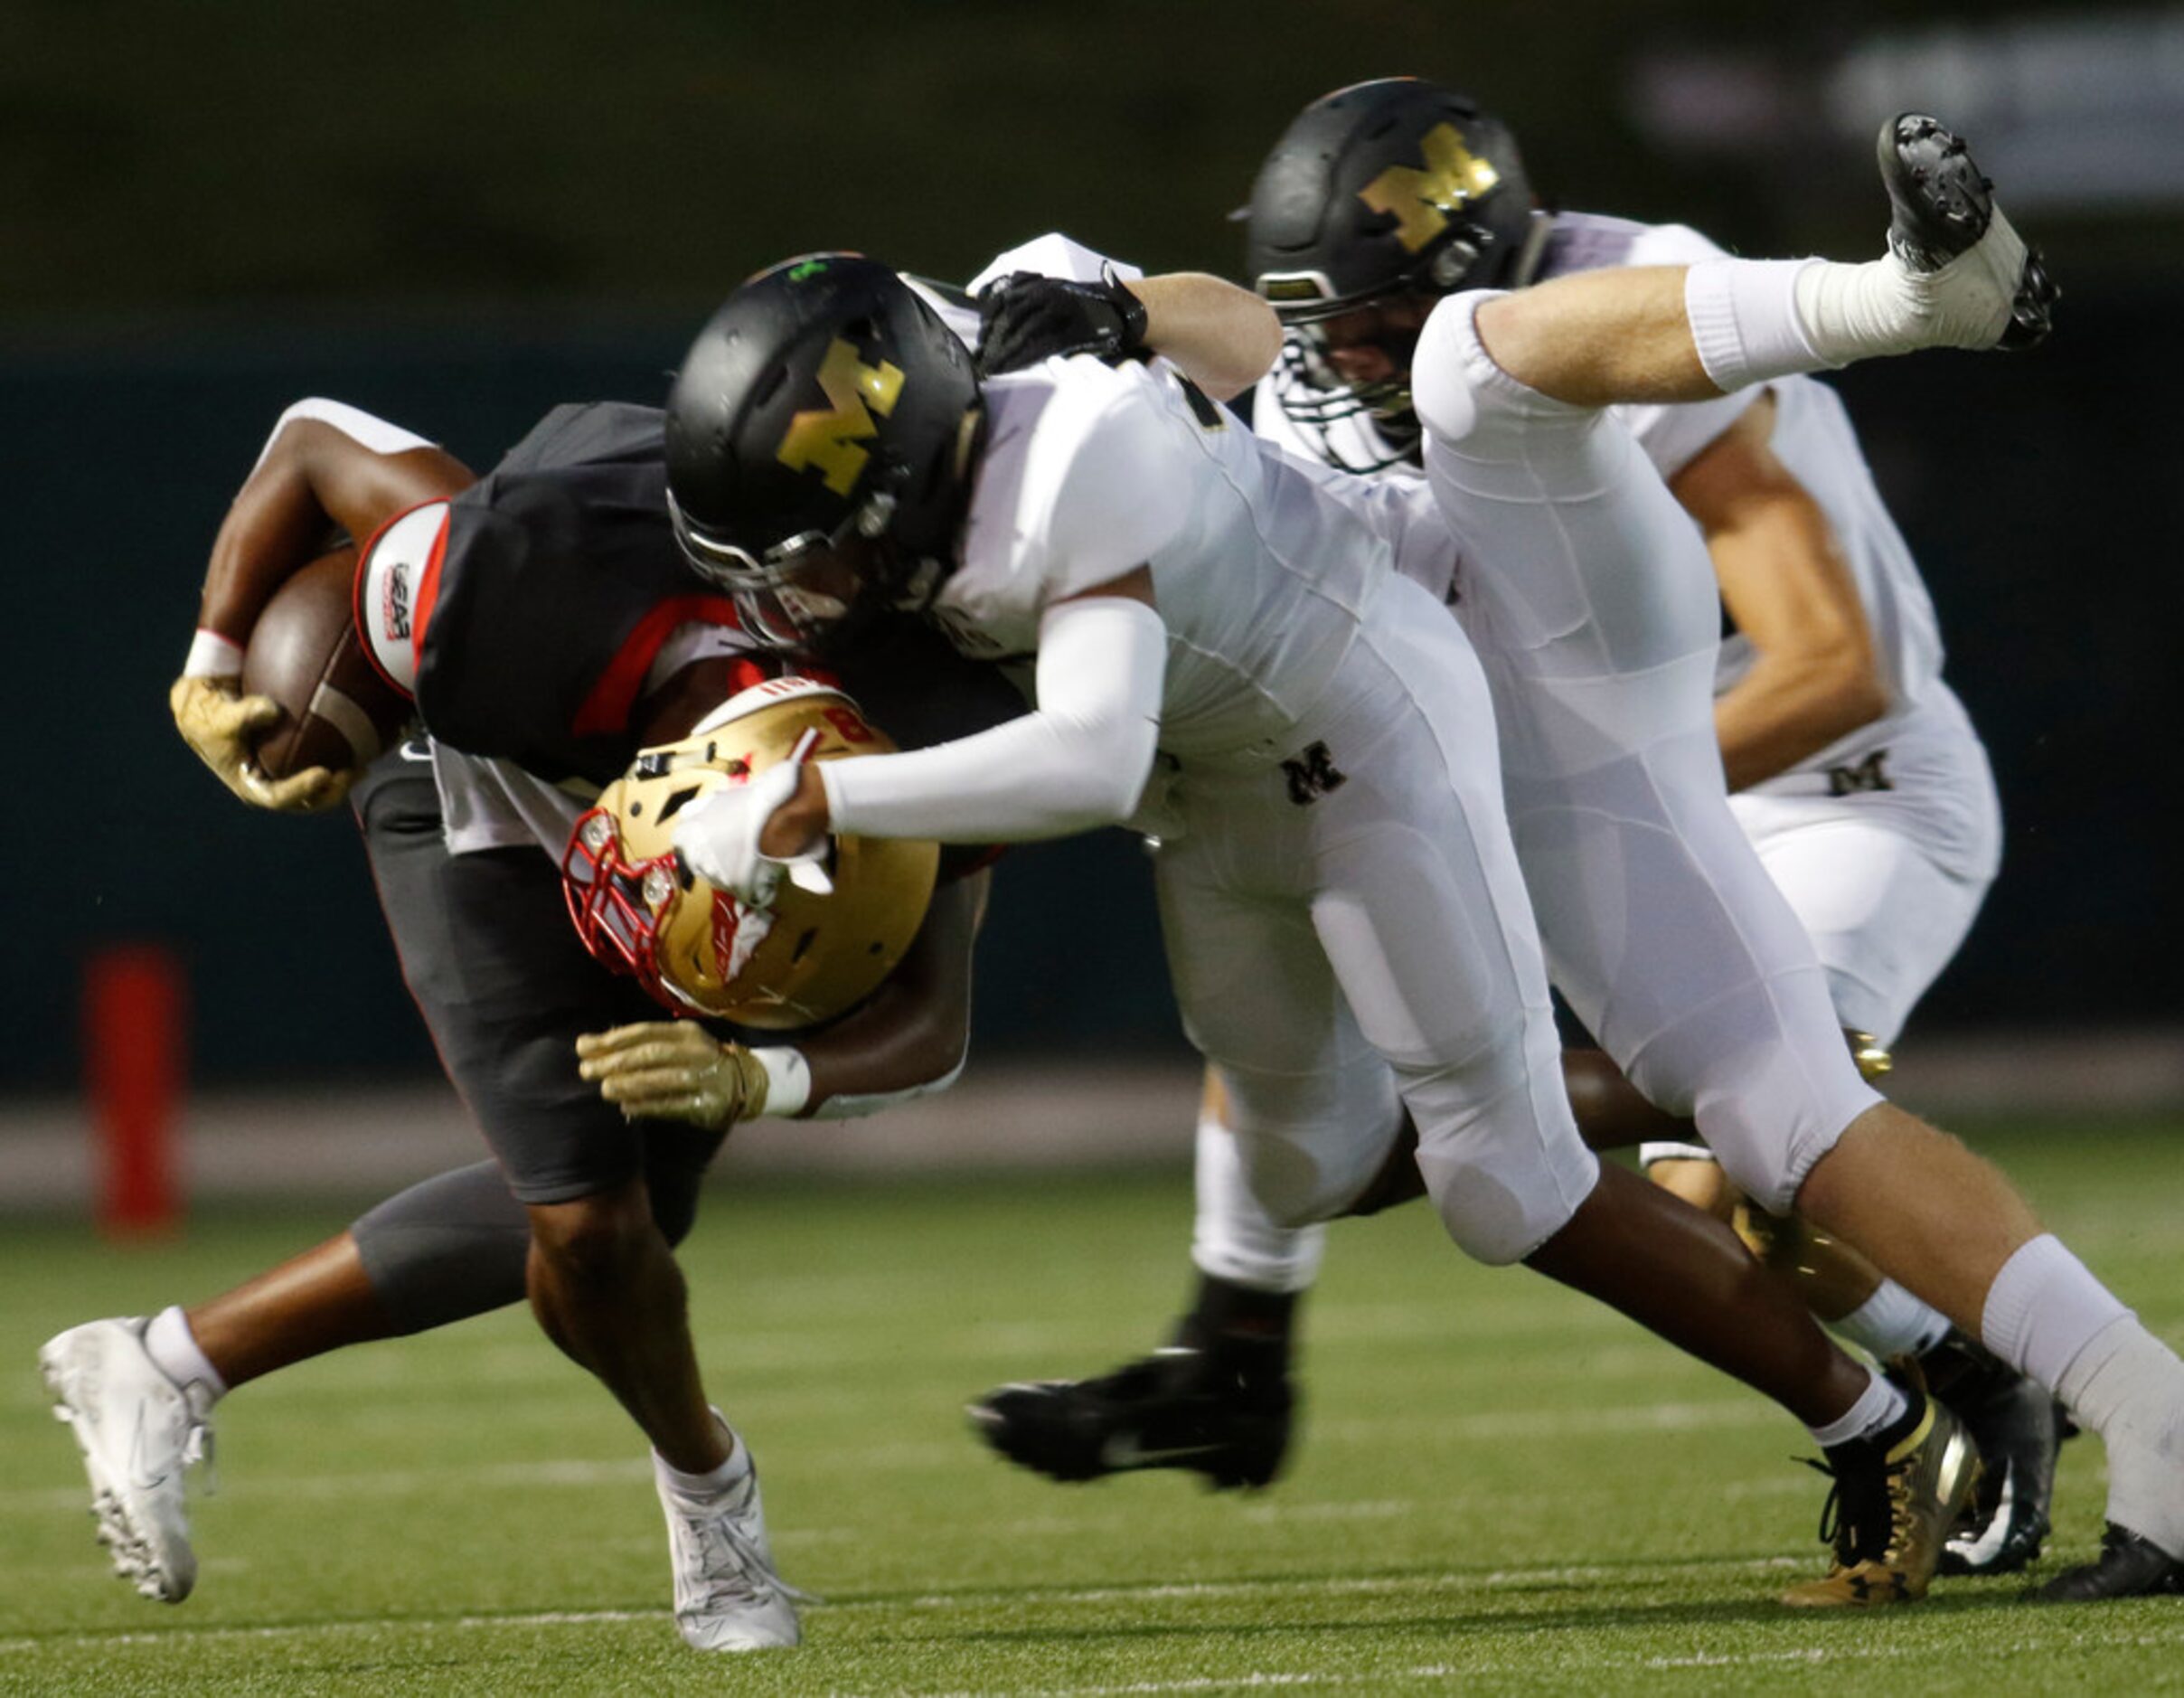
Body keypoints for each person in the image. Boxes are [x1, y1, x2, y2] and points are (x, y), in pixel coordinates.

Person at [644, 189, 2063, 1609]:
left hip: (1368, 720)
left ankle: (1877, 1428)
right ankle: (1694, 1085)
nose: (802, 596)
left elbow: (1090, 749)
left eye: (817, 554)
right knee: (1309, 1164)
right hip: (1217, 788)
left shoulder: (1064, 451)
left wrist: (822, 799)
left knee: (1506, 1183)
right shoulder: (948, 377)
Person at [948, 107, 2179, 1607]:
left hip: (1706, 713)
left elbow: (1836, 657)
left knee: (1470, 366)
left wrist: (1127, 309)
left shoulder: (1598, 291)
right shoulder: (1102, 432)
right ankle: (2150, 1414)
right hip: (1492, 750)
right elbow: (1252, 336)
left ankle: (1916, 297)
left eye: (1365, 317)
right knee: (1771, 1122)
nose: (1338, 357)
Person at [40, 392, 1017, 1651]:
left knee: (637, 1224)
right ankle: (711, 1498)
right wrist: (216, 659)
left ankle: (162, 1360)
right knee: (593, 1223)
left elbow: (932, 1024)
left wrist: (752, 1077)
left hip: (688, 801)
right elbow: (312, 438)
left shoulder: (926, 717)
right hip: (474, 807)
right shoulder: (519, 575)